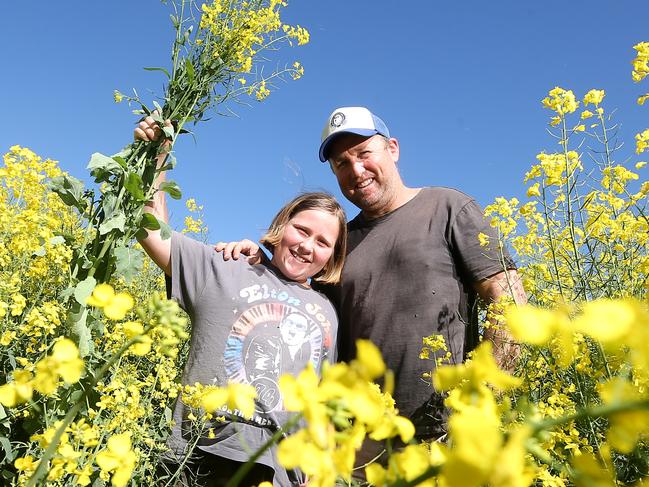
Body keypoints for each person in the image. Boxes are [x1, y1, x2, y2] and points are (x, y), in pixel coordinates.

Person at [218, 106, 527, 467]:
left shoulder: (447, 207)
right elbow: (299, 310)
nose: (356, 170)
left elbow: (509, 302)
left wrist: (478, 406)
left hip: (445, 437)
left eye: (364, 154)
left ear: (392, 149)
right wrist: (257, 260)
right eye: (341, 164)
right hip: (358, 447)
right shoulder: (337, 243)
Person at [135, 113, 347, 486]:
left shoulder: (326, 312)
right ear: (282, 226)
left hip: (277, 473)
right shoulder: (227, 265)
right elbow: (152, 231)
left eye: (322, 242)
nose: (307, 245)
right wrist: (156, 154)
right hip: (197, 455)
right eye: (302, 229)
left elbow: (320, 402)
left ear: (332, 255)